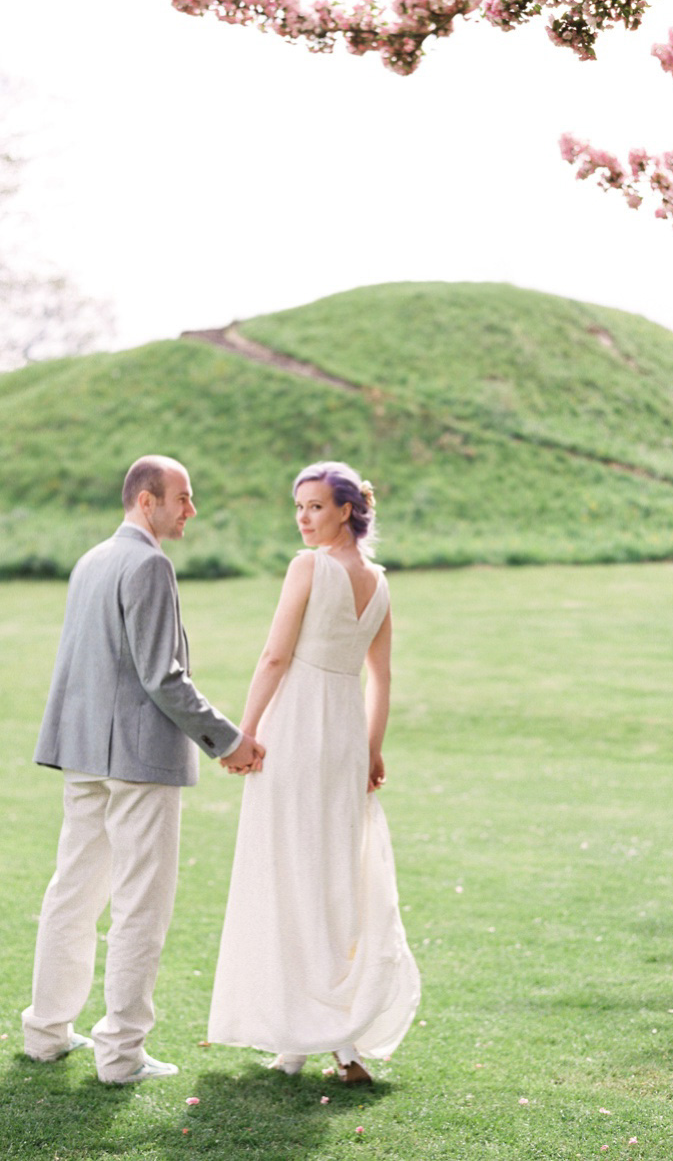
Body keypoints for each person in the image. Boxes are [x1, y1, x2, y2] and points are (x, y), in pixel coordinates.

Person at [21, 455, 265, 1085]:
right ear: (147, 500)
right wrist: (227, 740)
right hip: (137, 761)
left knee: (72, 891)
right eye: (182, 497)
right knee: (140, 906)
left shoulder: (92, 559)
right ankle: (122, 1055)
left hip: (84, 756)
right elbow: (163, 676)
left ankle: (46, 1032)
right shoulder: (149, 562)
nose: (191, 509)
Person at [208, 460, 420, 1084]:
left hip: (297, 726)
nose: (304, 519)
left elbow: (275, 655)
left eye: (316, 508)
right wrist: (373, 748)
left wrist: (243, 733)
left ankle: (317, 1037)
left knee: (289, 870)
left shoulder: (309, 568)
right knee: (331, 877)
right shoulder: (379, 582)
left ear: (347, 510)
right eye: (299, 508)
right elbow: (380, 678)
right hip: (345, 736)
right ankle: (318, 1041)